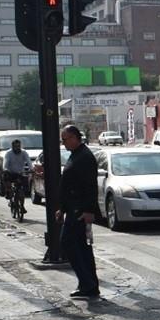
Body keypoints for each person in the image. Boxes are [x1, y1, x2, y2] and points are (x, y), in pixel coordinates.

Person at [58, 124, 102, 299]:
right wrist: (62, 209)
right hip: (73, 209)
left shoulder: (85, 157)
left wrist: (89, 210)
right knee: (82, 248)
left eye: (66, 139)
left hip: (81, 210)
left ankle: (88, 283)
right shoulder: (76, 155)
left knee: (68, 243)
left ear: (76, 137)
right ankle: (89, 285)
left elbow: (90, 186)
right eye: (62, 140)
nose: (64, 143)